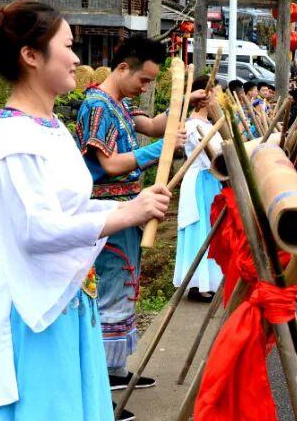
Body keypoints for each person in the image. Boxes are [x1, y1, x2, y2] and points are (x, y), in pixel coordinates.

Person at [0, 0, 171, 421]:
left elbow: (70, 207)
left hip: (67, 296)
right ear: (31, 55)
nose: (77, 58)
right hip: (33, 310)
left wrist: (134, 205)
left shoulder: (49, 126)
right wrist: (125, 214)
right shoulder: (13, 140)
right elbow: (36, 230)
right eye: (69, 45)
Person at [75, 36, 195, 407]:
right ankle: (101, 388)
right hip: (107, 214)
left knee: (125, 285)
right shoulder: (96, 106)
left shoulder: (119, 103)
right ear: (123, 67)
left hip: (130, 210)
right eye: (143, 80)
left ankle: (114, 371)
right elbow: (108, 164)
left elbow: (155, 125)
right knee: (110, 289)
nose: (145, 88)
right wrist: (159, 150)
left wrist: (183, 108)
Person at [174, 76, 225, 303]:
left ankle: (211, 282)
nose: (218, 98)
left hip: (211, 180)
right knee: (202, 228)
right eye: (215, 93)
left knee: (213, 229)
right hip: (200, 181)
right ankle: (200, 283)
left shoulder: (208, 124)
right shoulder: (193, 125)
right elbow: (213, 154)